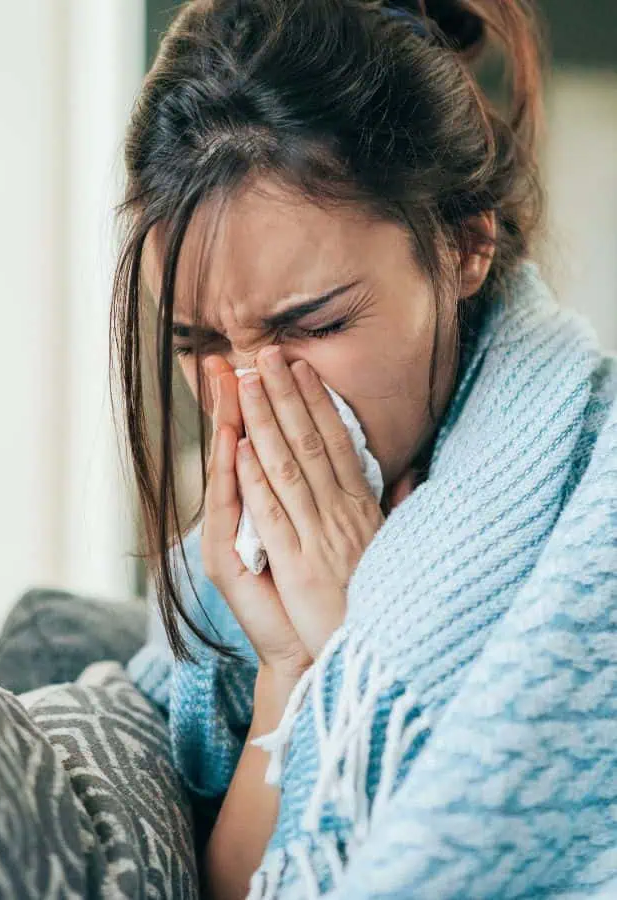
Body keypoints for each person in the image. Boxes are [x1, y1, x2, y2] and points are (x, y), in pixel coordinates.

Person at [116, 1, 617, 898]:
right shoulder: (216, 580)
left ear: (465, 245)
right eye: (199, 347)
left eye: (314, 324)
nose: (255, 392)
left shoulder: (598, 509)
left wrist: (370, 635)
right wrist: (291, 671)